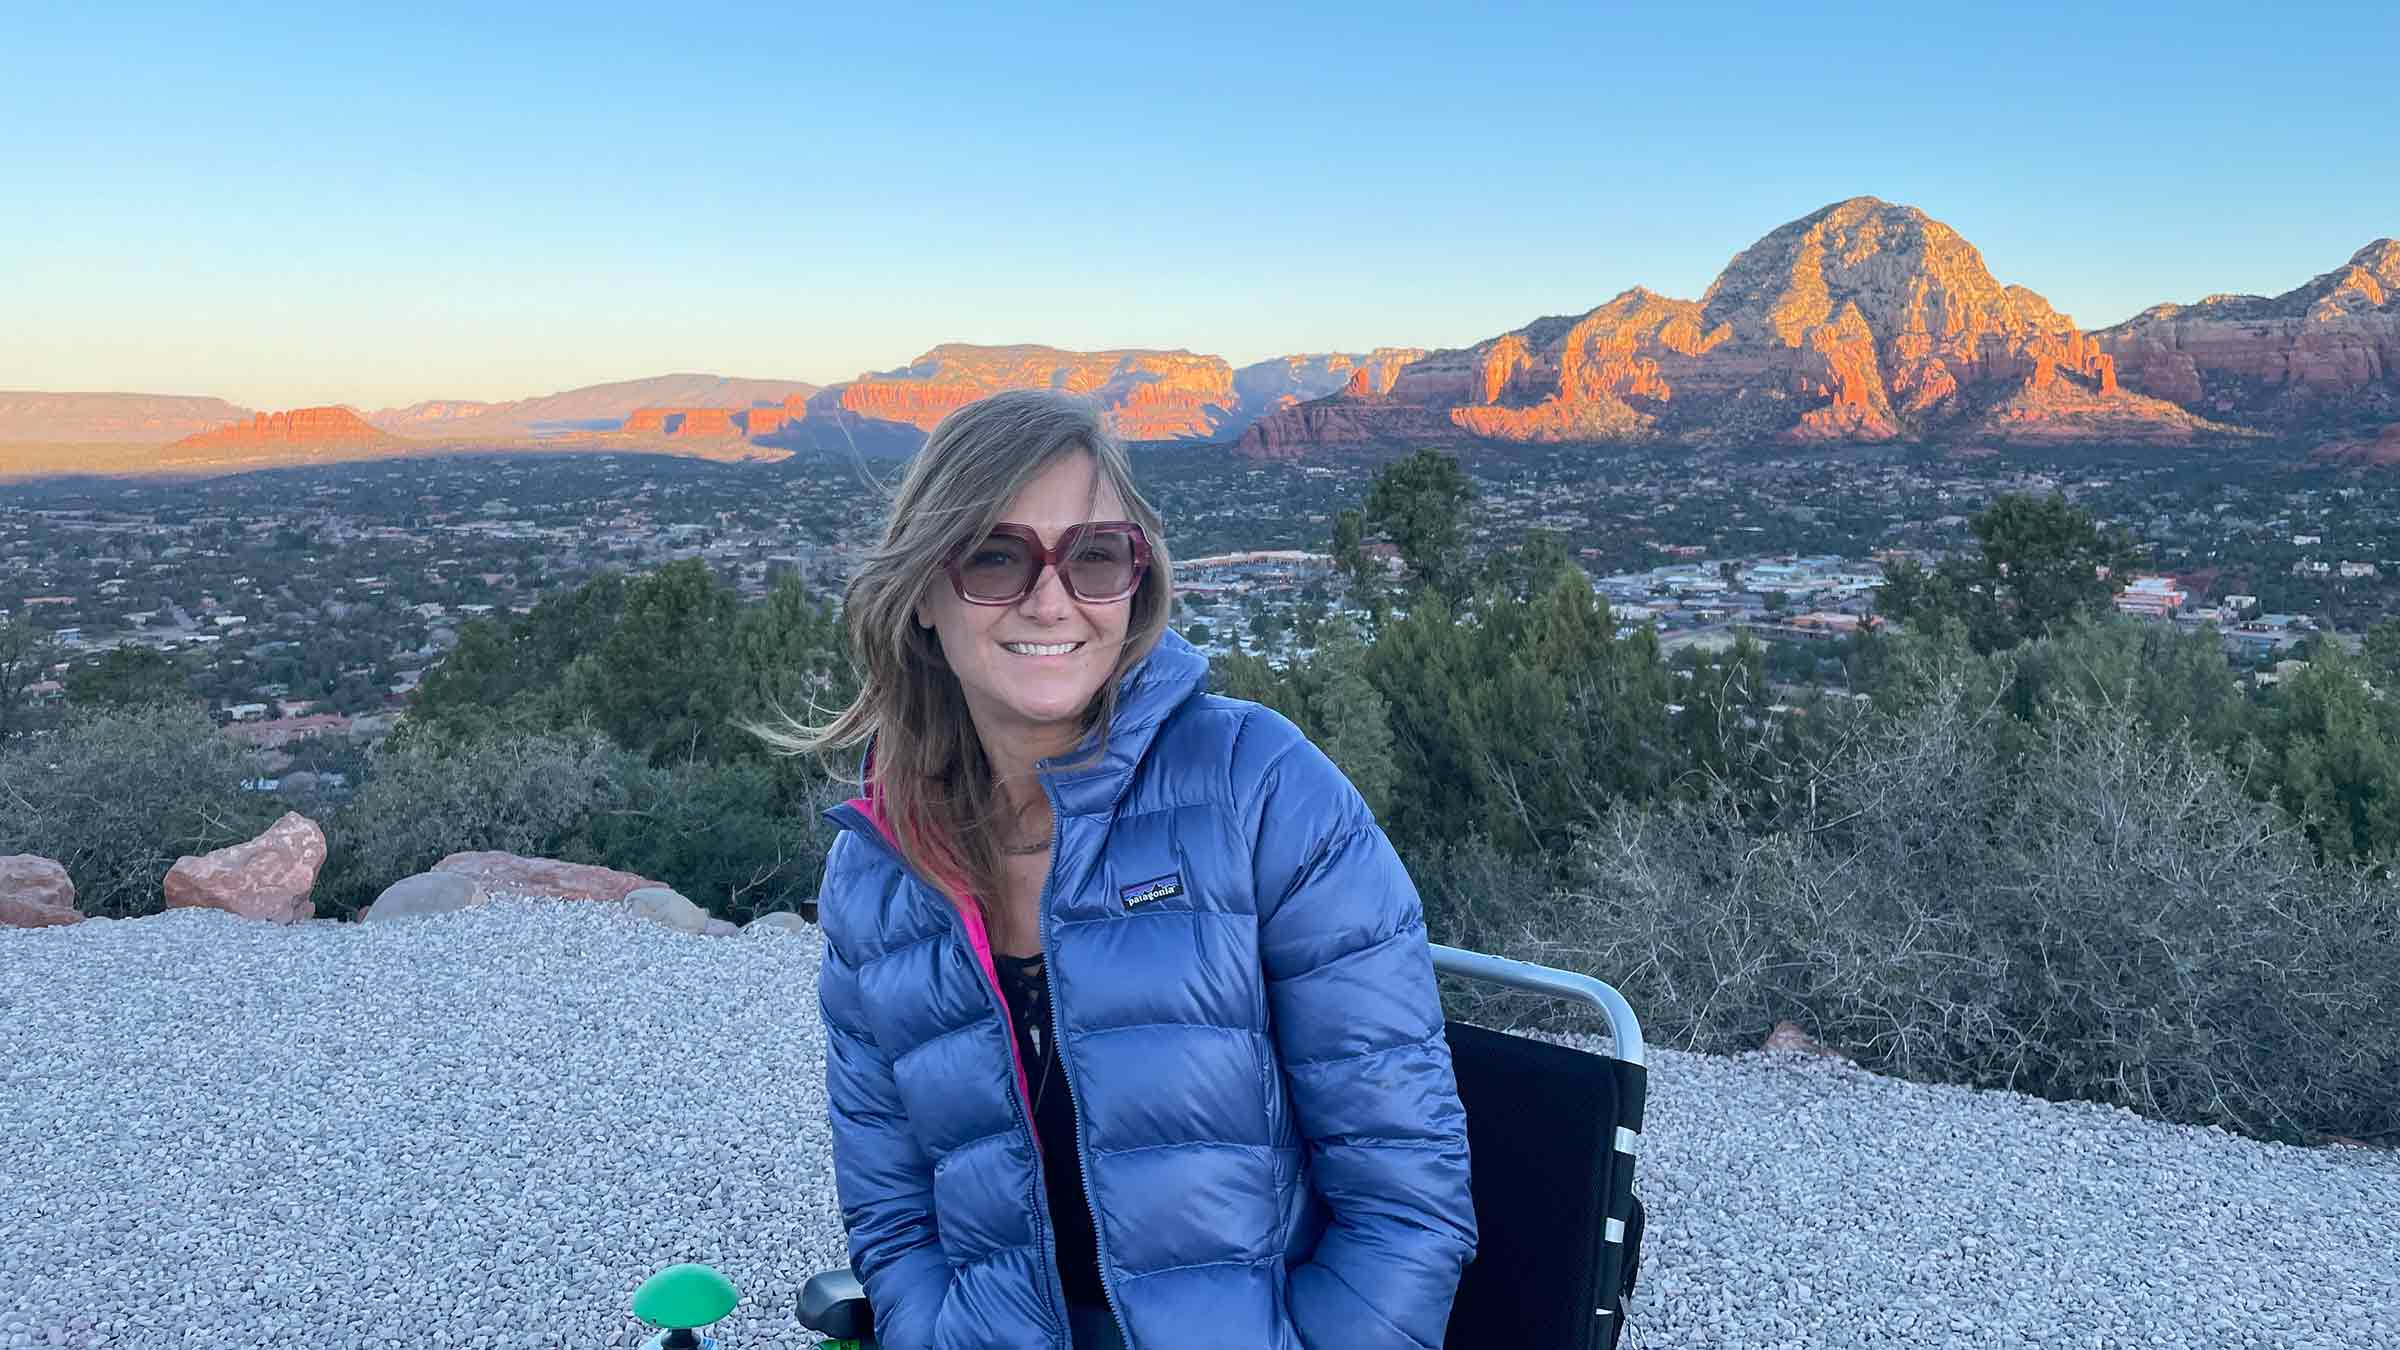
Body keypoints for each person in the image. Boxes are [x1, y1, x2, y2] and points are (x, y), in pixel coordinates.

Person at [752, 389, 1475, 1350]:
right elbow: (894, 1210)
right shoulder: (877, 868)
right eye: (995, 555)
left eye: (1093, 555)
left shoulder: (1261, 789)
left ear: (1135, 583)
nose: (1050, 599)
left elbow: (1405, 1201)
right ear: (923, 593)